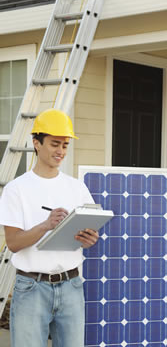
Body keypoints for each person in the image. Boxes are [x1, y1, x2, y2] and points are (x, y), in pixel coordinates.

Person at [0, 108, 99, 347]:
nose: (61, 151)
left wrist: (89, 237)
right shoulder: (17, 189)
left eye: (65, 145)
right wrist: (46, 225)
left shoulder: (77, 188)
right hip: (32, 288)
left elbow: (89, 233)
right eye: (55, 144)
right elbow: (13, 243)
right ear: (36, 143)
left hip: (71, 286)